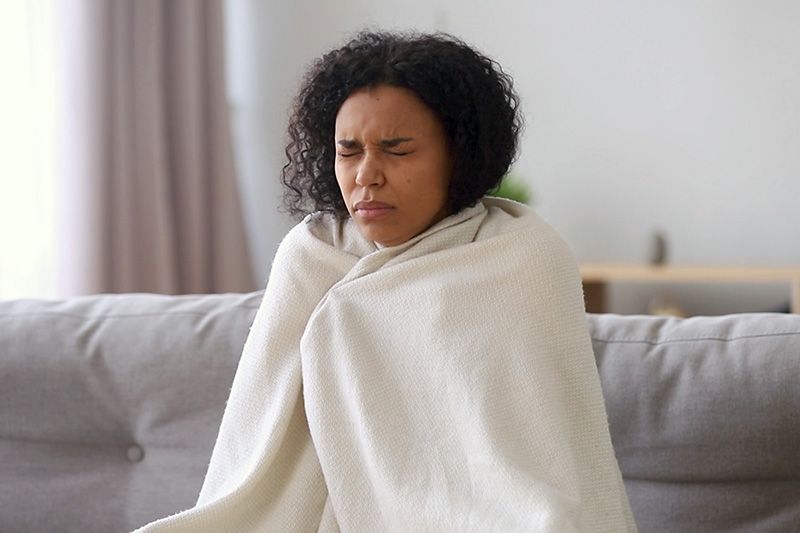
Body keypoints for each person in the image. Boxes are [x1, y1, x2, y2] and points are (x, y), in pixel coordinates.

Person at [135, 30, 636, 532]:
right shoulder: (313, 255)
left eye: (397, 151)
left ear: (458, 154)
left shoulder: (521, 256)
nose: (366, 175)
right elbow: (253, 455)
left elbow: (543, 465)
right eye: (348, 151)